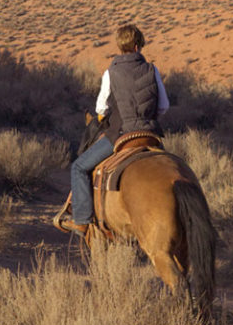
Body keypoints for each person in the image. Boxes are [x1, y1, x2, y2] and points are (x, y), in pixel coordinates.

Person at [68, 22, 171, 228]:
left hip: (120, 134)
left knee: (78, 167)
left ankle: (81, 220)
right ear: (137, 47)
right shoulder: (152, 69)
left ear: (121, 47)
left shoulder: (110, 73)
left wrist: (107, 116)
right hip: (150, 133)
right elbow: (164, 107)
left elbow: (100, 109)